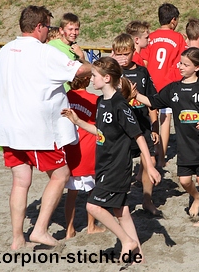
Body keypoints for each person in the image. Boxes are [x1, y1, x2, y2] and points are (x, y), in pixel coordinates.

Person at [0, 5, 92, 250]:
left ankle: (17, 238)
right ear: (38, 27)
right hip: (36, 130)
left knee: (20, 182)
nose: (49, 32)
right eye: (48, 27)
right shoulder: (44, 52)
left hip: (8, 128)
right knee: (61, 175)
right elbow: (79, 71)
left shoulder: (4, 51)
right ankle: (40, 229)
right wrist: (100, 65)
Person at [61, 57, 160, 262]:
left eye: (94, 75)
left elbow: (138, 136)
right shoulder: (101, 102)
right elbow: (101, 132)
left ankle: (127, 241)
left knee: (93, 206)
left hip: (117, 165)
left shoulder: (120, 105)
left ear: (107, 78)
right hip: (104, 162)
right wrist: (78, 121)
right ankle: (138, 254)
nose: (91, 79)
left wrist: (150, 166)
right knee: (121, 209)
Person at [134, 47, 199, 227]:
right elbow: (153, 101)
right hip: (185, 145)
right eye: (180, 63)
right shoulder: (174, 88)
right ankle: (196, 197)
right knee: (184, 181)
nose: (180, 67)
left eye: (185, 64)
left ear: (197, 67)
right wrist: (135, 95)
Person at [112, 33, 161, 216]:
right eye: (119, 54)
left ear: (134, 51)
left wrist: (155, 127)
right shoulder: (113, 74)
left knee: (151, 162)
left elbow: (152, 102)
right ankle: (119, 202)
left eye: (126, 53)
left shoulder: (142, 72)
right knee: (122, 166)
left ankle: (147, 200)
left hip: (142, 125)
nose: (123, 58)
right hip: (122, 128)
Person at [140, 3, 187, 168]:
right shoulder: (178, 38)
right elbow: (183, 60)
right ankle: (162, 157)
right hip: (168, 83)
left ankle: (153, 150)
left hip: (151, 83)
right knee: (165, 119)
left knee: (152, 116)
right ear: (173, 20)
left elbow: (144, 61)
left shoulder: (151, 37)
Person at [63, 75, 105, 239]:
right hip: (88, 148)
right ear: (87, 80)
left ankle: (69, 229)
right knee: (92, 190)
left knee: (71, 192)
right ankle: (91, 225)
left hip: (70, 148)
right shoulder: (94, 99)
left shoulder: (64, 98)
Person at [48, 13, 86, 92]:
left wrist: (81, 56)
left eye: (76, 29)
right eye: (70, 29)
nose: (74, 32)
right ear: (61, 30)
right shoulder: (52, 45)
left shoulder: (76, 49)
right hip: (57, 91)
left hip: (72, 92)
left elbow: (82, 73)